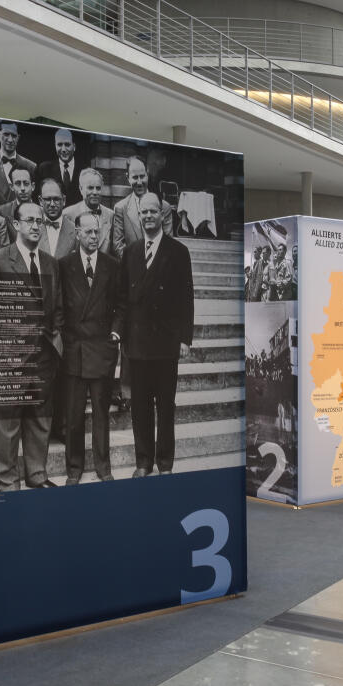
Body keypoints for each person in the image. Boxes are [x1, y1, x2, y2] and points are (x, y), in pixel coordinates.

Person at [0, 201, 65, 490]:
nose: (35, 226)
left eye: (39, 221)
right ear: (15, 225)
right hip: (10, 357)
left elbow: (58, 309)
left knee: (40, 422)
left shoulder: (51, 262)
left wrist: (55, 344)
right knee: (8, 425)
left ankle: (37, 476)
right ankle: (7, 484)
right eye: (29, 220)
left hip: (43, 356)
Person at [122, 193, 194, 477]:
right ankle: (143, 462)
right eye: (144, 213)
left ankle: (165, 463)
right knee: (139, 407)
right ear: (139, 216)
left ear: (162, 216)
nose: (148, 216)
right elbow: (123, 298)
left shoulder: (178, 251)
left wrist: (185, 337)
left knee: (165, 407)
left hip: (166, 344)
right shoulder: (131, 252)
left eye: (153, 212)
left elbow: (186, 297)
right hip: (137, 345)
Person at [59, 211, 124, 484]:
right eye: (88, 232)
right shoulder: (64, 265)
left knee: (101, 413)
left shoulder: (112, 265)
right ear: (77, 234)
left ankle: (103, 467)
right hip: (74, 349)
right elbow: (58, 306)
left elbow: (121, 304)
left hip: (101, 349)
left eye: (97, 231)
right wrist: (64, 338)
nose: (94, 236)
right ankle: (74, 469)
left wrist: (115, 333)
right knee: (73, 416)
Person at [112, 157, 174, 258]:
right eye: (135, 177)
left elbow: (168, 243)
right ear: (128, 177)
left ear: (148, 174)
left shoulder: (164, 207)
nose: (139, 182)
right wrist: (136, 266)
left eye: (142, 176)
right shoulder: (120, 208)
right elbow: (118, 245)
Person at [0, 122, 36, 207]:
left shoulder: (30, 166)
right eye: (6, 134)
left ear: (18, 138)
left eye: (14, 136)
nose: (10, 140)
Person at [59, 168, 111, 257]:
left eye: (98, 188)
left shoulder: (111, 215)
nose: (95, 192)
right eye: (90, 188)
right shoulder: (67, 215)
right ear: (81, 188)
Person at [35, 129, 83, 207]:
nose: (63, 149)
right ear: (55, 146)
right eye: (59, 145)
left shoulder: (84, 170)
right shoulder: (44, 169)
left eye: (67, 144)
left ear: (74, 146)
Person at [0, 166, 36, 233]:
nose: (22, 188)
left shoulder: (42, 211)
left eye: (26, 183)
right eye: (18, 184)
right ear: (11, 187)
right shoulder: (0, 212)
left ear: (33, 186)